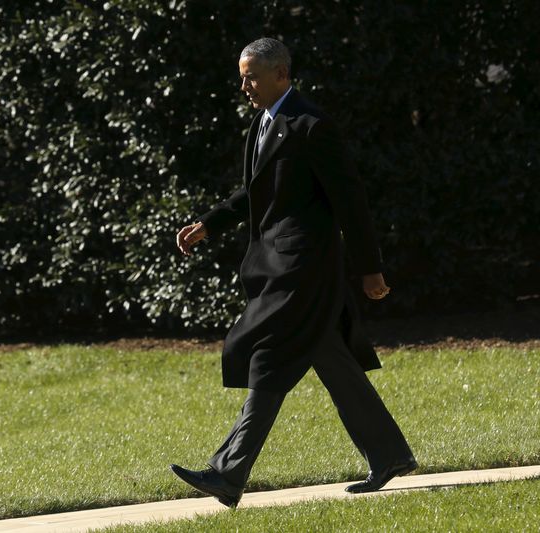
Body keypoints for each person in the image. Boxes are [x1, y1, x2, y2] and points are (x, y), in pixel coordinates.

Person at [170, 37, 417, 507]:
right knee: (331, 358)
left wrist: (370, 269)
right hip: (275, 267)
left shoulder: (311, 126)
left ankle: (228, 471)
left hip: (302, 268)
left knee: (268, 354)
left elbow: (351, 200)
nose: (244, 85)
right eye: (242, 76)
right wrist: (212, 222)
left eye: (252, 76)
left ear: (281, 74)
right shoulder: (263, 124)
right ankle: (390, 455)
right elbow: (257, 192)